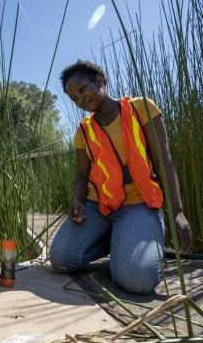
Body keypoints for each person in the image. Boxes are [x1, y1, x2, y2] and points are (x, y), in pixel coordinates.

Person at [50, 60, 192, 294]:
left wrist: (177, 212)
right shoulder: (83, 130)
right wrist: (78, 201)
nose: (80, 100)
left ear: (100, 81)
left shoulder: (142, 108)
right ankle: (122, 241)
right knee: (62, 259)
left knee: (138, 280)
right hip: (100, 205)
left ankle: (140, 239)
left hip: (138, 204)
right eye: (74, 98)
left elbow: (164, 160)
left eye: (82, 90)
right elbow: (82, 174)